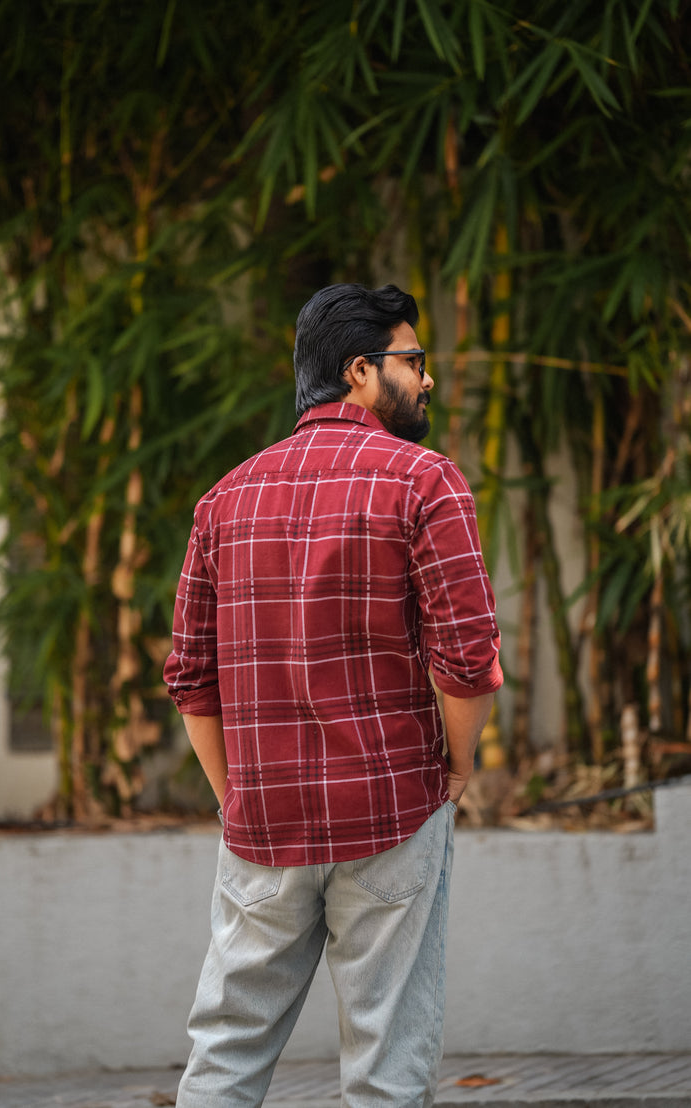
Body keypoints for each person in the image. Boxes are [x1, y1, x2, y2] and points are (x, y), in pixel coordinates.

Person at [163, 282, 502, 1108]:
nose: (426, 380)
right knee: (389, 1065)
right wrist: (458, 767)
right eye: (412, 360)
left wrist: (236, 793)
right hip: (391, 807)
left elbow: (190, 677)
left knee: (225, 1053)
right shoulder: (426, 482)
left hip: (262, 823)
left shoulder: (225, 499)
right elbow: (467, 656)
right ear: (359, 370)